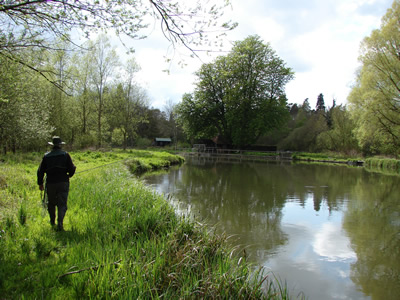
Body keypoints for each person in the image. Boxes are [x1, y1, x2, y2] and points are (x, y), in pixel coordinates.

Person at [37, 136, 76, 231]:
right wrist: (69, 175)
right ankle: (60, 223)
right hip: (63, 182)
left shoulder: (46, 156)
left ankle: (52, 221)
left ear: (52, 146)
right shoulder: (65, 155)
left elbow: (40, 171)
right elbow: (72, 168)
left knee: (51, 203)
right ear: (60, 145)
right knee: (62, 204)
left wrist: (40, 183)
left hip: (50, 183)